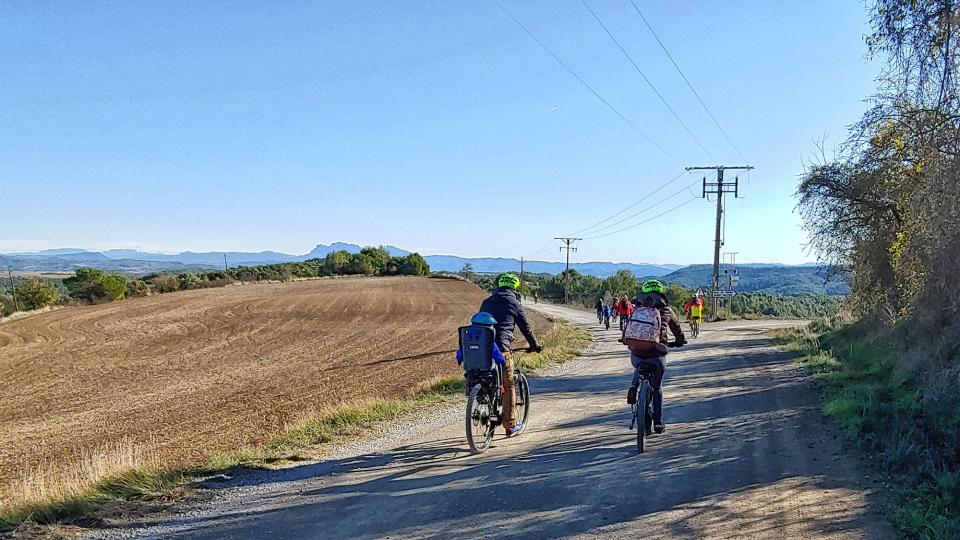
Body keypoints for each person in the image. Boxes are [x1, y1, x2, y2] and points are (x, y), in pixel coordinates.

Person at [478, 273, 543, 437]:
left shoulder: (487, 302)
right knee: (509, 385)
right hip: (501, 349)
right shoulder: (514, 303)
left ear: (499, 285)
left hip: (482, 348)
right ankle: (511, 425)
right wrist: (535, 346)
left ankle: (482, 398)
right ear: (515, 288)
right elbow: (526, 328)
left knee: (484, 377)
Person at [627, 279, 685, 434]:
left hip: (637, 353)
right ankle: (658, 422)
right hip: (657, 355)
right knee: (657, 386)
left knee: (638, 365)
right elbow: (677, 330)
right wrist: (680, 341)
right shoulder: (667, 310)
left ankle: (633, 386)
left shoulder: (637, 308)